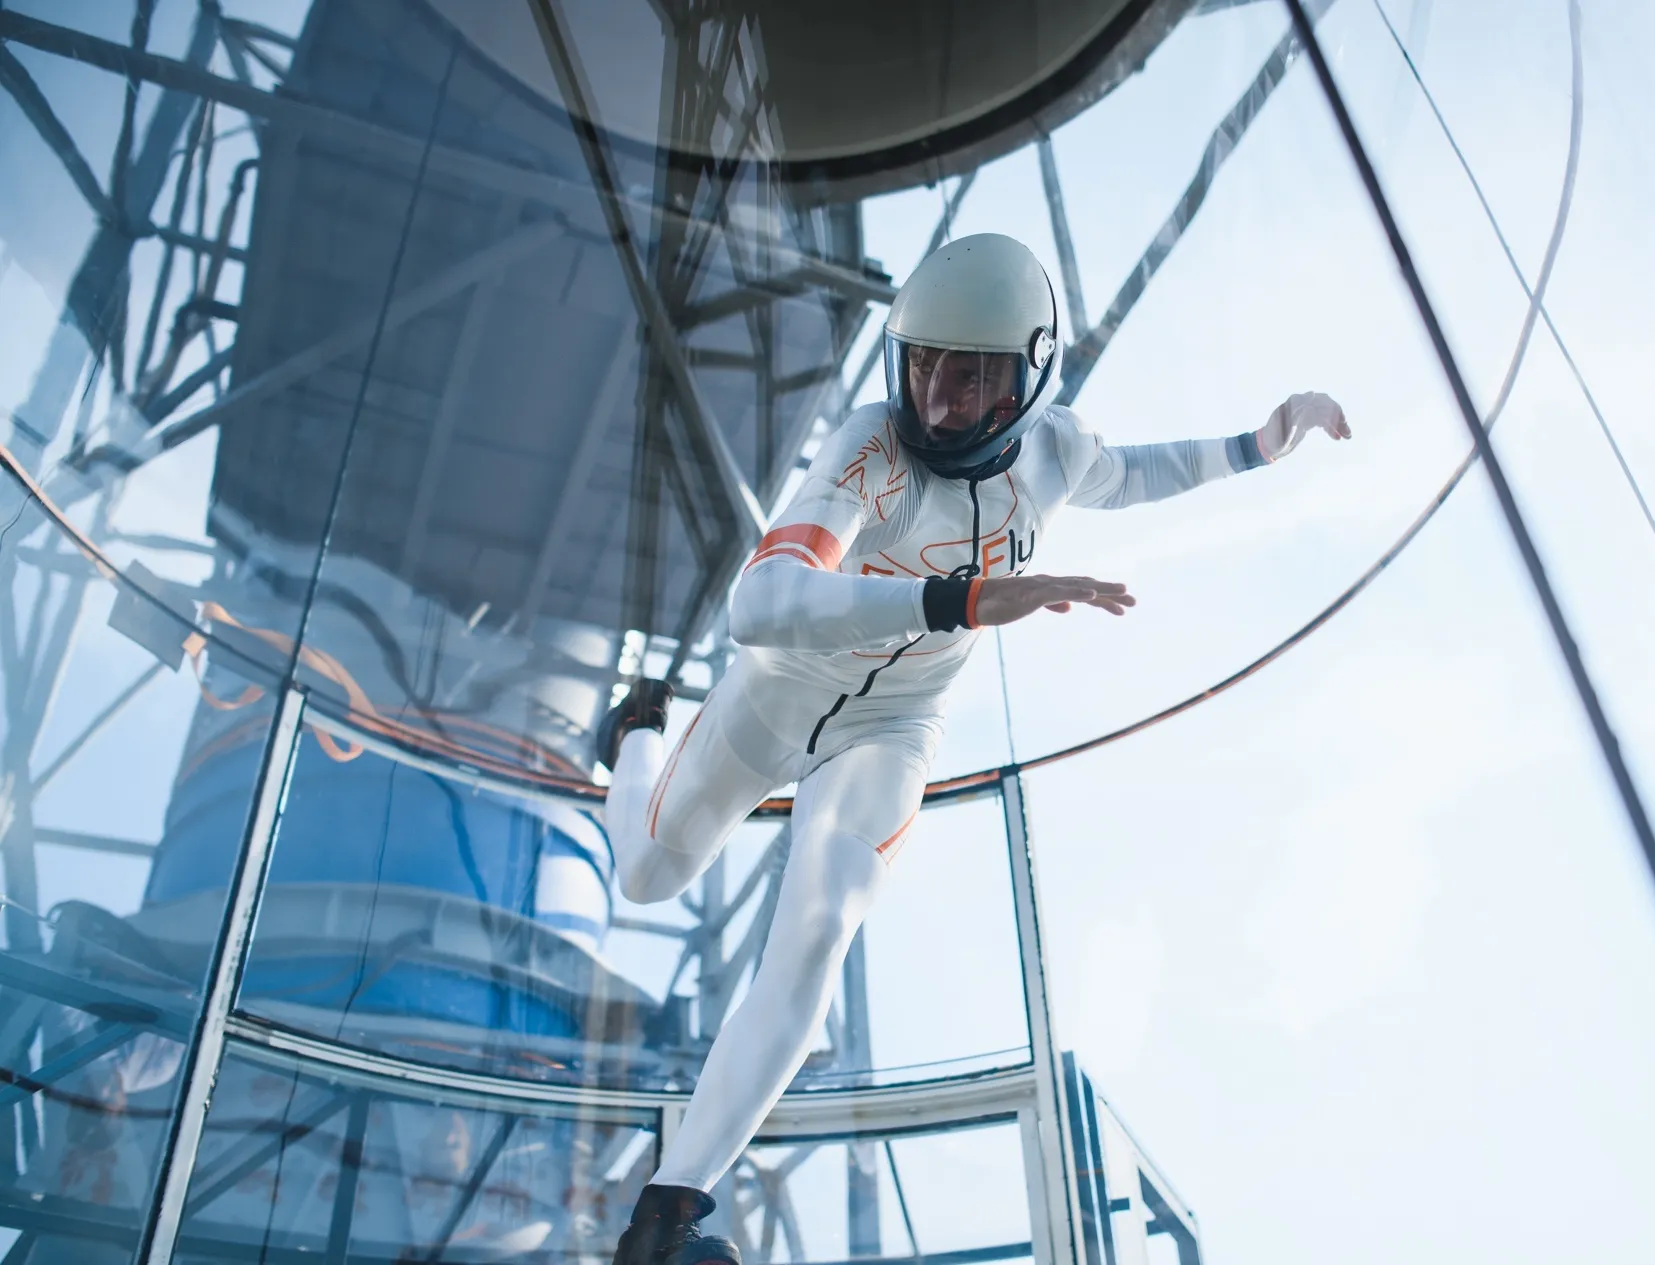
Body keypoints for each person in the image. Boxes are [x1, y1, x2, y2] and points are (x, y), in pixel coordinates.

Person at [603, 233, 1350, 1265]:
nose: (939, 400)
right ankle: (632, 733)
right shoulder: (870, 446)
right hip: (773, 697)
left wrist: (1255, 446)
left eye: (972, 374)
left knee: (819, 921)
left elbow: (1135, 474)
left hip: (890, 726)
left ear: (1030, 376)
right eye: (921, 364)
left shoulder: (1056, 451)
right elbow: (761, 602)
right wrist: (959, 597)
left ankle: (667, 1211)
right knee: (645, 872)